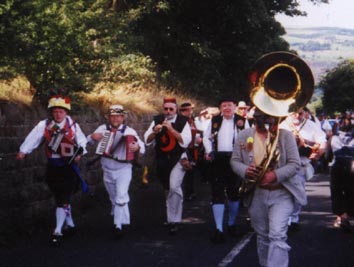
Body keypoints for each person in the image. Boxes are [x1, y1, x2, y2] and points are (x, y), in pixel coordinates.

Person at [230, 108, 304, 267]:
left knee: (277, 235)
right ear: (256, 119)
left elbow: (295, 164)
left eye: (273, 120)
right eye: (264, 120)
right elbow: (234, 161)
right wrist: (245, 170)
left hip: (282, 193)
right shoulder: (244, 136)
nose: (270, 124)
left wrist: (275, 175)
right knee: (262, 236)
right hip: (257, 194)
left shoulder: (286, 136)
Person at [16, 95, 88, 246]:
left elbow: (82, 141)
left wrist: (80, 153)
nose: (58, 114)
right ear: (51, 112)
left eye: (61, 111)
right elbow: (33, 138)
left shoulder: (72, 125)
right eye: (55, 111)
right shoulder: (45, 125)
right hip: (53, 166)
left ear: (66, 112)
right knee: (60, 197)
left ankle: (57, 231)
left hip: (68, 166)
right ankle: (71, 225)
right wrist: (24, 150)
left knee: (63, 197)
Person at [87, 104, 145, 238]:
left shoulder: (129, 131)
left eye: (118, 116)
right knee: (113, 197)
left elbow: (141, 146)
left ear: (123, 117)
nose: (115, 119)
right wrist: (92, 136)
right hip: (107, 169)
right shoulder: (102, 129)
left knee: (121, 194)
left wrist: (136, 146)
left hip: (124, 168)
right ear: (108, 117)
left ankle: (118, 226)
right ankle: (121, 217)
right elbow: (88, 141)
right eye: (112, 116)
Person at [144, 97, 191, 234]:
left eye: (171, 109)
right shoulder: (157, 120)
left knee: (174, 186)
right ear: (163, 109)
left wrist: (171, 129)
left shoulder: (183, 121)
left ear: (176, 109)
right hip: (162, 159)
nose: (168, 111)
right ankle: (171, 219)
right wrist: (154, 131)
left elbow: (185, 141)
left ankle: (176, 220)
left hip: (178, 158)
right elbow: (147, 140)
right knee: (167, 188)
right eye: (166, 109)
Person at [203, 97, 248, 243]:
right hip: (218, 160)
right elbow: (206, 138)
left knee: (233, 192)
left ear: (235, 107)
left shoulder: (242, 121)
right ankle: (218, 229)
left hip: (235, 159)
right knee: (217, 192)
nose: (227, 108)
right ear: (220, 107)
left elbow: (249, 139)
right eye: (224, 105)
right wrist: (209, 151)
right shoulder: (215, 120)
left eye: (230, 105)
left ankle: (231, 223)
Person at [280, 108, 327, 231]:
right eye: (294, 113)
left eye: (300, 113)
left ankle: (294, 219)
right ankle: (286, 220)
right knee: (284, 193)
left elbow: (322, 140)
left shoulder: (311, 125)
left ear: (304, 113)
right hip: (283, 164)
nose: (297, 115)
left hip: (300, 163)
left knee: (297, 192)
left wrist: (318, 153)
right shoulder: (282, 125)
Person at [329, 120, 354, 231]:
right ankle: (346, 215)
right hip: (352, 166)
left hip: (336, 166)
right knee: (350, 192)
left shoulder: (333, 138)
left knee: (336, 191)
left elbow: (327, 155)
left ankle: (340, 216)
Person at [179, 102, 203, 201]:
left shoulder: (192, 120)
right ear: (182, 111)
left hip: (193, 148)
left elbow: (197, 131)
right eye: (187, 110)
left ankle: (190, 192)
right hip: (183, 148)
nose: (190, 112)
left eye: (191, 109)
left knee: (191, 171)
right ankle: (184, 193)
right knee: (183, 170)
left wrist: (198, 140)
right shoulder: (180, 122)